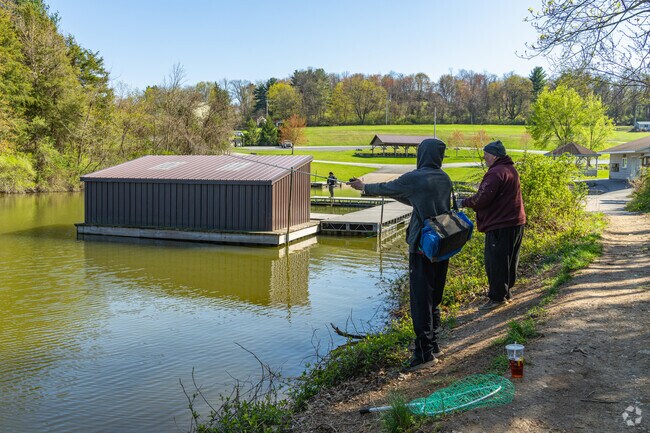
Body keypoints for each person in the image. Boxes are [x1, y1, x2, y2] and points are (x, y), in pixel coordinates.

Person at [349, 138, 452, 371]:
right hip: (443, 245)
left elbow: (388, 187)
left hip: (421, 247)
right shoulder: (443, 179)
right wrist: (398, 194)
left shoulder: (416, 178)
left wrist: (363, 187)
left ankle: (423, 355)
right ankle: (433, 344)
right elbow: (413, 197)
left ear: (422, 154)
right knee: (434, 297)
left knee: (420, 300)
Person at [459, 140, 526, 311]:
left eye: (486, 155)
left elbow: (482, 199)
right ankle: (506, 292)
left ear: (494, 156)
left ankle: (497, 298)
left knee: (495, 261)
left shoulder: (495, 173)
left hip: (500, 224)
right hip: (515, 222)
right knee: (510, 259)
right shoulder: (510, 170)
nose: (484, 158)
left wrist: (463, 203)